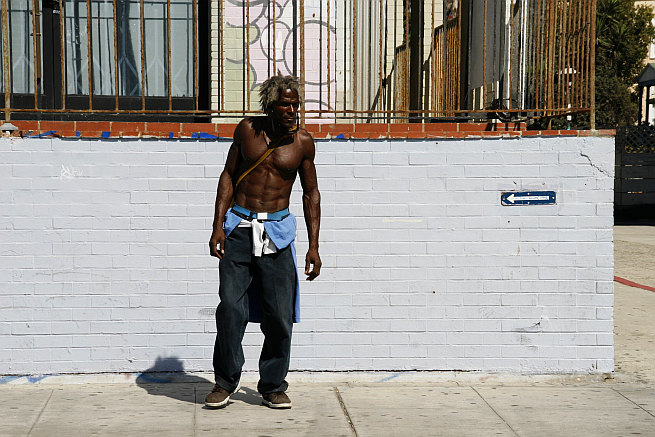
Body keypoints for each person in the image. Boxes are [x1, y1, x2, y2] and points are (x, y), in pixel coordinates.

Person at [205, 75, 321, 410]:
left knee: (280, 314)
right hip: (239, 228)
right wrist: (217, 226)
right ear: (269, 106)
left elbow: (311, 193)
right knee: (230, 308)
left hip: (278, 234)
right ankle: (225, 381)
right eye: (285, 104)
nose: (292, 110)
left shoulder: (302, 143)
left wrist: (313, 245)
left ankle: (272, 385)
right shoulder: (247, 131)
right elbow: (228, 175)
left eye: (295, 104)